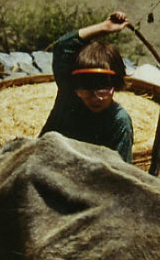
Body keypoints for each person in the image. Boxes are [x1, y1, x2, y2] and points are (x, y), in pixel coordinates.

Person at [39, 11, 134, 162]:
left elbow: (121, 171)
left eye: (102, 88)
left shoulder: (118, 121)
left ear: (115, 84)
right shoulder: (69, 96)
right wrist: (104, 27)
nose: (95, 97)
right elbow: (62, 46)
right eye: (86, 88)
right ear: (75, 86)